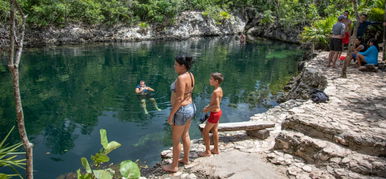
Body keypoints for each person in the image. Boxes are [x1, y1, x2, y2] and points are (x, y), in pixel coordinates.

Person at [162, 56, 196, 173]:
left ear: (182, 66)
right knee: (185, 134)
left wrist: (171, 114)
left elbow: (179, 98)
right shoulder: (190, 75)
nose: (174, 66)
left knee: (176, 140)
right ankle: (186, 159)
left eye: (176, 64)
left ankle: (174, 166)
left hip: (181, 110)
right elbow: (187, 93)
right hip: (190, 107)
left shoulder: (181, 78)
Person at [199, 72, 224, 157]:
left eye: (211, 79)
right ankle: (216, 149)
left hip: (214, 114)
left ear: (216, 81)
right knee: (215, 130)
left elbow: (216, 105)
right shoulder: (220, 89)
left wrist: (207, 109)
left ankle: (207, 151)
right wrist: (209, 106)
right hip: (218, 112)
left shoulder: (215, 92)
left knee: (205, 131)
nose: (209, 80)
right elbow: (216, 104)